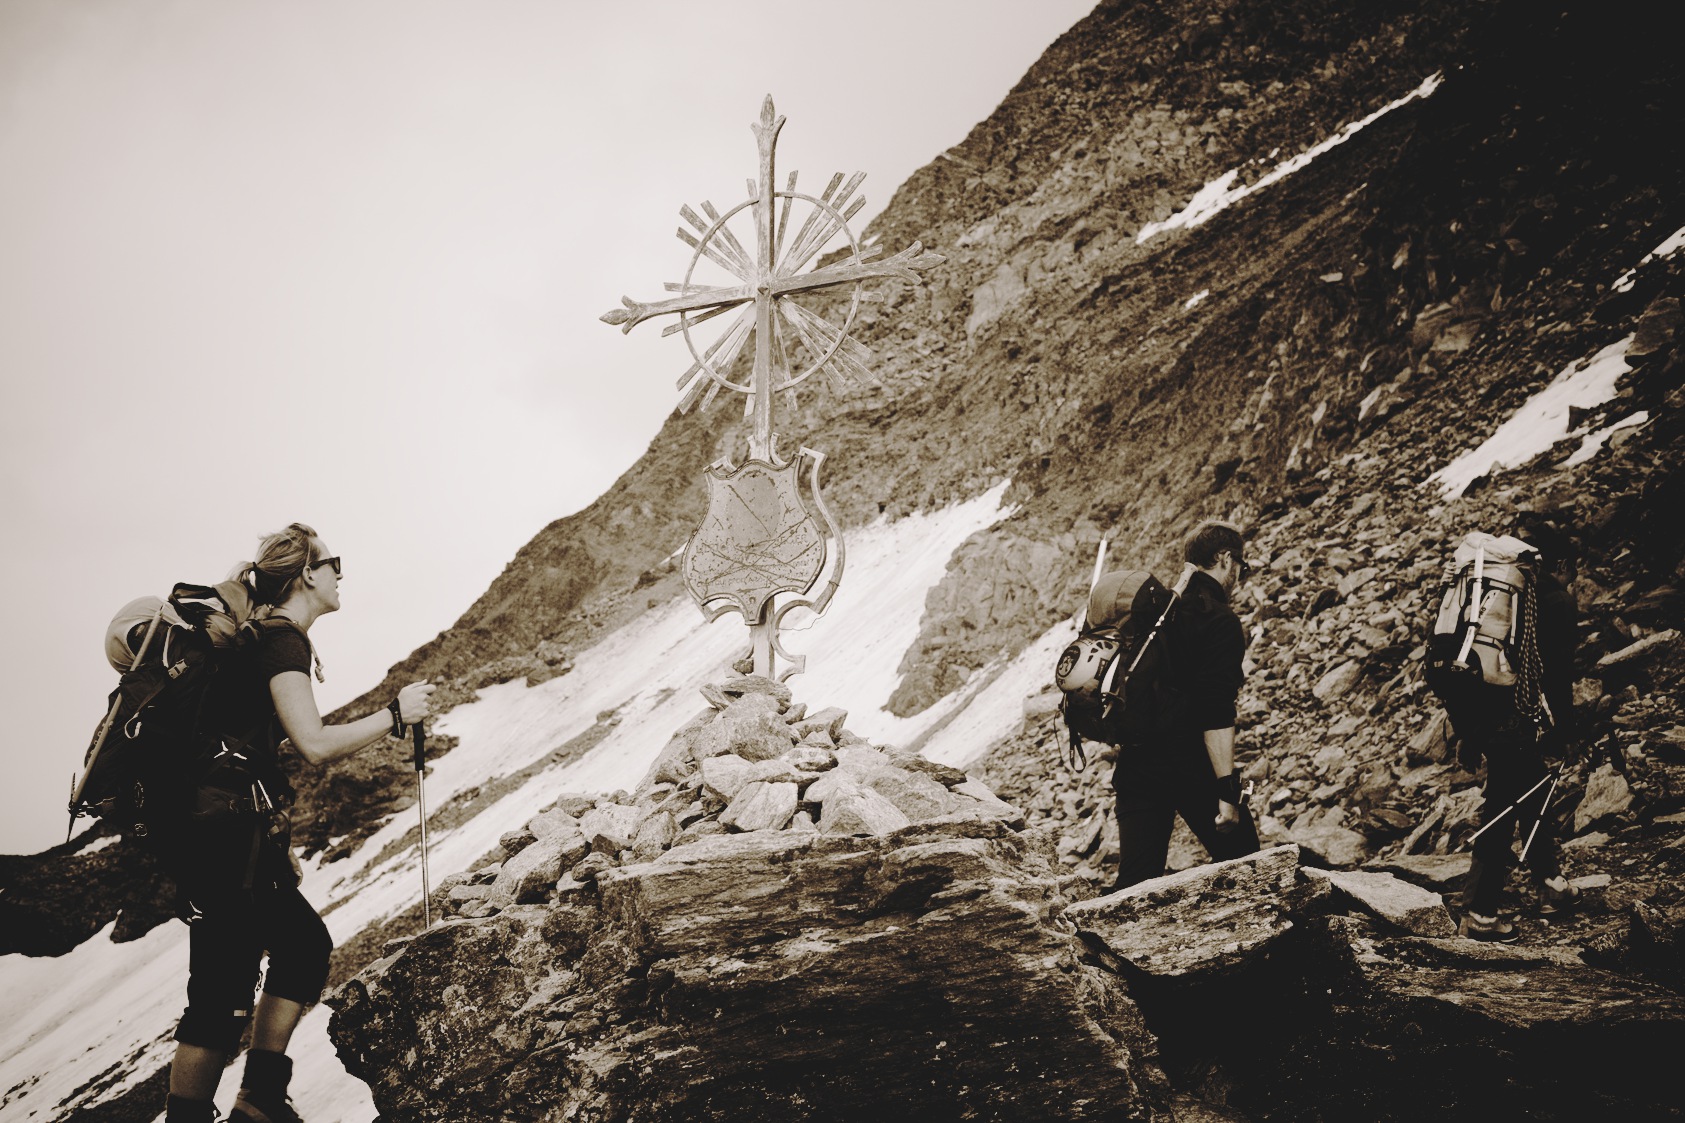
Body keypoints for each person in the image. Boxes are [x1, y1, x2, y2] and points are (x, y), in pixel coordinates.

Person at [165, 523, 434, 1123]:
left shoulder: (262, 639)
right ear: (308, 574)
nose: (340, 575)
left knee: (300, 948)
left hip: (227, 837)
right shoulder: (281, 641)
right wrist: (394, 715)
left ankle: (260, 1099)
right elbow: (312, 742)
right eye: (334, 563)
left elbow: (255, 749)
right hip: (226, 844)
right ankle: (227, 1108)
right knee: (221, 997)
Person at [1112, 520, 1261, 889]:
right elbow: (1216, 710)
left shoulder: (1158, 612)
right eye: (1241, 565)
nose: (1240, 575)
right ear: (1225, 559)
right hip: (1189, 764)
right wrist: (1227, 793)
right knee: (1249, 866)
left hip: (1136, 763)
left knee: (1135, 883)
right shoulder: (1219, 620)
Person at [1456, 520, 1581, 941]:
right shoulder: (1554, 600)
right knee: (1504, 804)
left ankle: (1550, 885)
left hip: (1486, 714)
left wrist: (1468, 732)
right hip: (1516, 719)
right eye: (1572, 572)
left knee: (1532, 792)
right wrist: (1565, 730)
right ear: (1559, 564)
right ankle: (1480, 913)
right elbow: (1557, 674)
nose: (1572, 581)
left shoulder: (1495, 596)